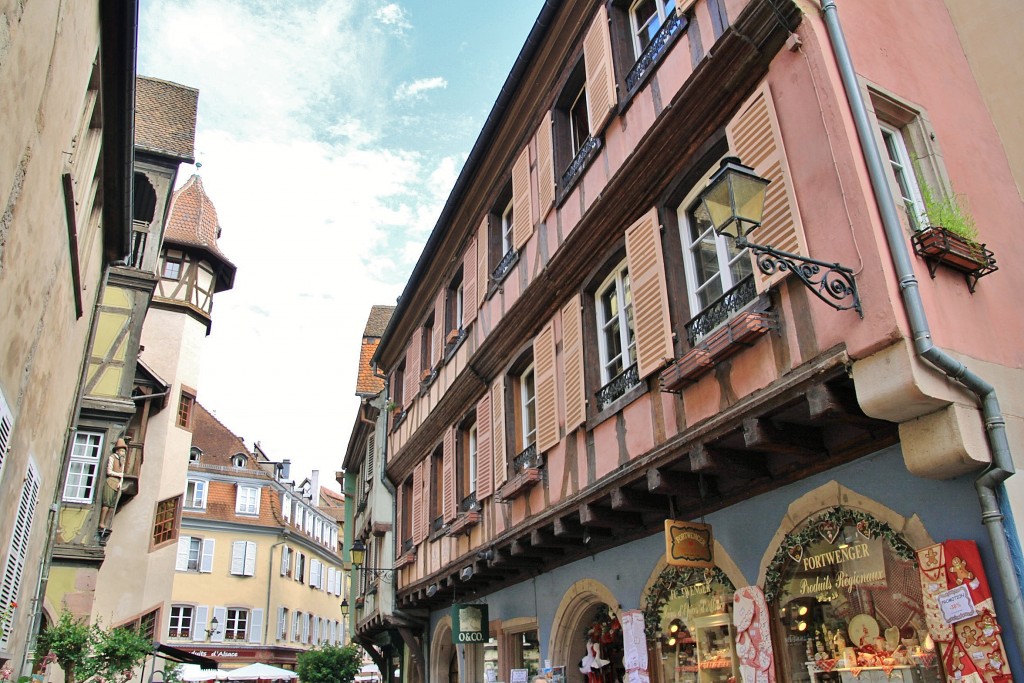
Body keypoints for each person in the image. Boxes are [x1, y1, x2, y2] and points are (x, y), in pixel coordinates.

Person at [99, 438, 127, 530]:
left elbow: (122, 474)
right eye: (122, 451)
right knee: (106, 503)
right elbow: (109, 471)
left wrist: (120, 482)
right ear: (118, 451)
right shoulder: (112, 457)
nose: (123, 453)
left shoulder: (122, 461)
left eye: (124, 451)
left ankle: (107, 523)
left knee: (112, 506)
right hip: (111, 481)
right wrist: (119, 474)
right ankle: (102, 522)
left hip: (117, 483)